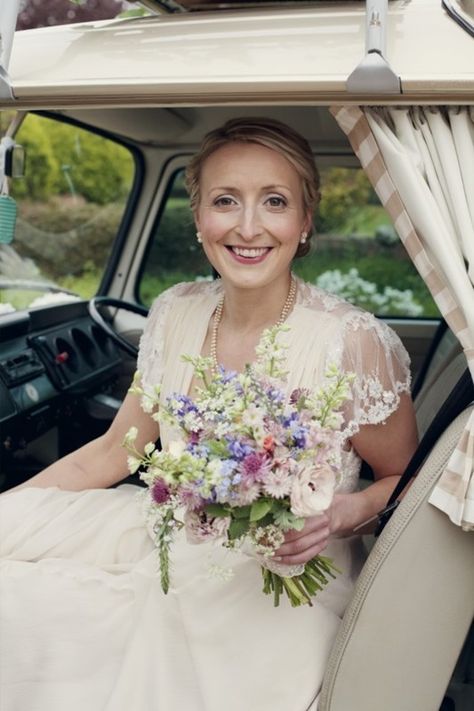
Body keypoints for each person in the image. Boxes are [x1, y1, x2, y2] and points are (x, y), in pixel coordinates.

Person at [0, 117, 418, 711]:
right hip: (161, 538)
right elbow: (116, 451)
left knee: (36, 606)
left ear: (304, 222)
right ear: (199, 218)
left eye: (275, 202)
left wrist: (343, 512)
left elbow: (409, 483)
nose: (248, 227)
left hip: (276, 586)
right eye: (226, 201)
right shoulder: (175, 311)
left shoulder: (350, 342)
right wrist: (16, 508)